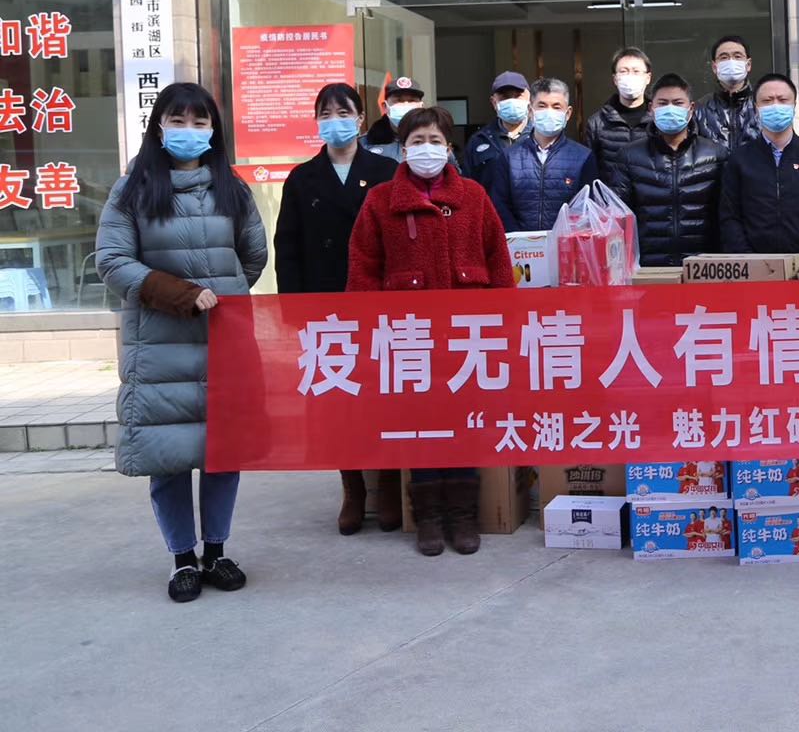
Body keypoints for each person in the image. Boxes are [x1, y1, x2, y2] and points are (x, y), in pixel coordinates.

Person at [95, 83, 267, 603]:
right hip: (159, 344)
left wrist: (222, 297)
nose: (188, 131)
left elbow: (253, 256)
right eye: (177, 120)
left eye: (199, 121)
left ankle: (216, 551)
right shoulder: (133, 188)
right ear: (159, 127)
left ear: (213, 129)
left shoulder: (233, 188)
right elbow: (112, 261)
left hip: (225, 340)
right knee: (168, 457)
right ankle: (182, 559)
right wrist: (182, 296)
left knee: (224, 452)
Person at [348, 106, 515, 557]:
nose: (427, 149)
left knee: (464, 423)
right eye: (417, 141)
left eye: (435, 141)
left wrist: (504, 321)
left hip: (468, 337)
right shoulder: (380, 201)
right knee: (420, 426)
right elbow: (363, 267)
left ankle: (462, 515)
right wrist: (368, 328)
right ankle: (428, 517)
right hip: (409, 339)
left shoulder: (474, 196)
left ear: (449, 148)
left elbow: (498, 259)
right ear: (403, 150)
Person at [274, 83, 400, 537]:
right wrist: (293, 312)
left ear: (361, 119)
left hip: (379, 305)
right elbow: (287, 248)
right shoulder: (301, 178)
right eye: (326, 113)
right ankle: (353, 489)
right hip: (325, 307)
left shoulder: (386, 171)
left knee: (384, 397)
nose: (335, 121)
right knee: (338, 401)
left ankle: (388, 484)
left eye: (343, 112)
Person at [610, 73, 728, 267]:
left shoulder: (715, 155)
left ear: (691, 109)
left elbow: (726, 217)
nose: (670, 109)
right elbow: (618, 218)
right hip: (647, 267)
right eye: (663, 103)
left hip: (703, 267)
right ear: (651, 109)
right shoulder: (629, 156)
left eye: (678, 103)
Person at [718, 74, 799, 263]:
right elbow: (729, 217)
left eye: (782, 100)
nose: (775, 106)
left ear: (794, 105)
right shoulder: (740, 158)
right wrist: (748, 260)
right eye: (767, 101)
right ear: (756, 108)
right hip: (752, 267)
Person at [485, 77, 597, 233]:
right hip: (520, 244)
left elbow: (587, 207)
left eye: (556, 107)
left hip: (566, 242)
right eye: (542, 106)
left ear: (568, 113)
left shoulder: (583, 157)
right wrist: (520, 238)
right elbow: (499, 203)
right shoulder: (510, 157)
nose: (549, 112)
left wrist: (566, 237)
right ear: (531, 111)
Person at [584, 46, 652, 186]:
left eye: (636, 71)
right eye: (624, 71)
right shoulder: (597, 122)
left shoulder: (659, 119)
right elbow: (590, 171)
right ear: (615, 79)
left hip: (651, 198)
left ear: (648, 78)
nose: (630, 77)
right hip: (611, 198)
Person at [463, 71, 531, 185]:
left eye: (518, 95)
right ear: (494, 102)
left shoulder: (541, 138)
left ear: (529, 99)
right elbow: (468, 185)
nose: (512, 101)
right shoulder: (478, 140)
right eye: (505, 97)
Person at [694, 35, 760, 150]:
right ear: (714, 67)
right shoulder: (699, 109)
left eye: (737, 56)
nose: (731, 61)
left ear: (748, 65)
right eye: (724, 57)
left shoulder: (762, 105)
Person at [367, 76, 426, 163]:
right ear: (385, 107)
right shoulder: (366, 143)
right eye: (399, 100)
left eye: (411, 100)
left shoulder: (433, 140)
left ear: (421, 106)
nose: (406, 105)